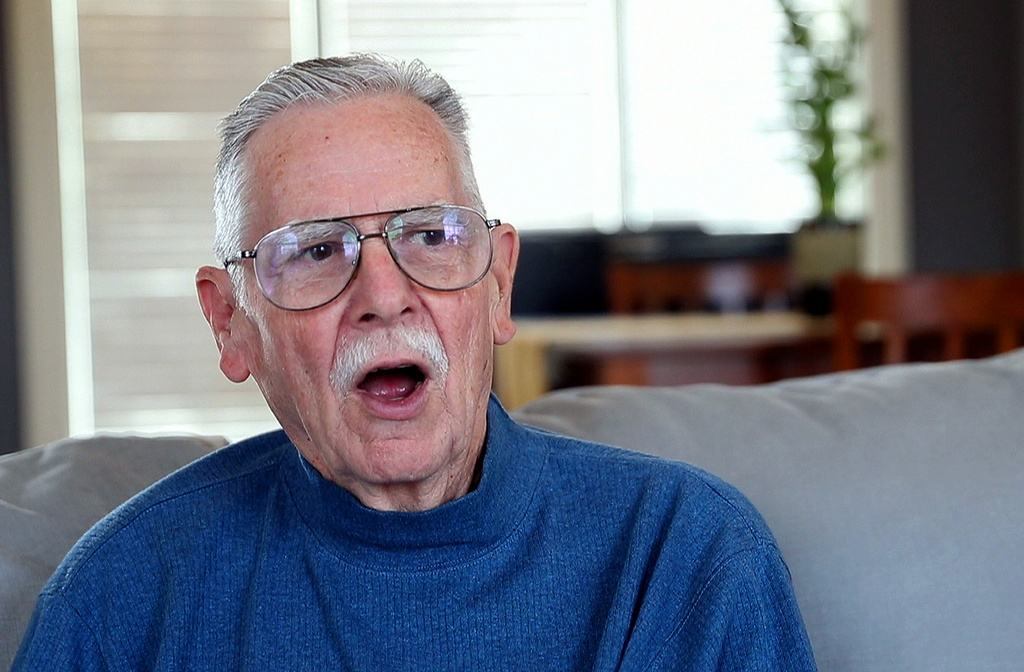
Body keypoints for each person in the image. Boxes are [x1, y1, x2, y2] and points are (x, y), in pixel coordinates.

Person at [12, 54, 817, 670]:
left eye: (430, 236)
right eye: (317, 251)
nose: (384, 295)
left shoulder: (685, 555)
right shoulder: (119, 599)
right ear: (230, 323)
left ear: (498, 283)